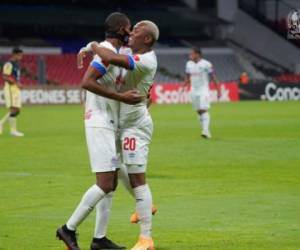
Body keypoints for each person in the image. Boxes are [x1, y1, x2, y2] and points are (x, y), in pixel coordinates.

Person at [56, 12, 141, 250]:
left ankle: (99, 239)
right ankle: (68, 229)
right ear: (120, 29)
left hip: (108, 122)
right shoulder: (105, 52)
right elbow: (87, 82)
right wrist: (119, 96)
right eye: (129, 28)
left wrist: (87, 47)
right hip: (99, 122)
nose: (131, 32)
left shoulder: (110, 51)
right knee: (104, 183)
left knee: (112, 182)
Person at [90, 19, 159, 250]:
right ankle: (143, 208)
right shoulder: (131, 51)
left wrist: (92, 46)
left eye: (137, 29)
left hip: (135, 127)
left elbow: (107, 57)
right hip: (120, 124)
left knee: (138, 179)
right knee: (114, 171)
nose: (132, 31)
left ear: (147, 39)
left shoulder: (146, 59)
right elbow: (109, 51)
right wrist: (88, 48)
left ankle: (146, 238)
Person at [184, 48, 220, 139]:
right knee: (199, 111)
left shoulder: (206, 64)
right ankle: (205, 131)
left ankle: (205, 131)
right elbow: (188, 76)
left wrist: (218, 90)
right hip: (193, 90)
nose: (190, 56)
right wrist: (184, 84)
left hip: (203, 90)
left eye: (192, 54)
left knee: (203, 109)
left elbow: (213, 77)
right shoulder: (189, 64)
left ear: (198, 54)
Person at [0, 47, 24, 137]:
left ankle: (2, 123)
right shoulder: (8, 64)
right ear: (15, 54)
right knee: (14, 109)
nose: (21, 57)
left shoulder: (17, 64)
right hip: (10, 88)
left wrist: (19, 84)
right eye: (20, 55)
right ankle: (12, 131)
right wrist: (17, 83)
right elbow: (5, 76)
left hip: (15, 88)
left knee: (17, 110)